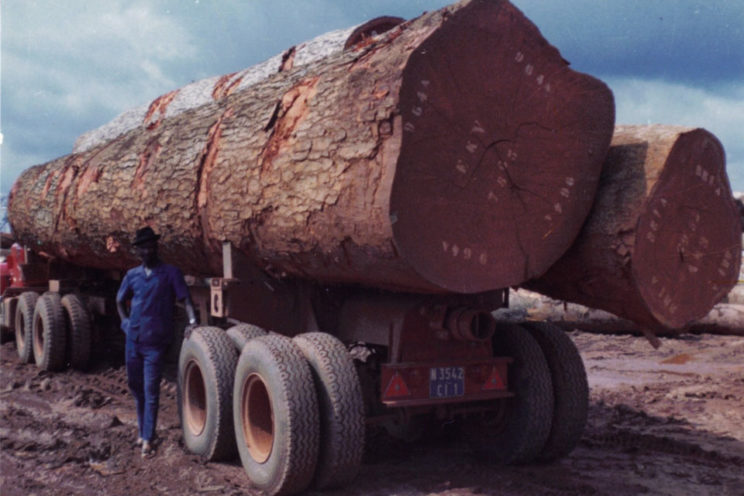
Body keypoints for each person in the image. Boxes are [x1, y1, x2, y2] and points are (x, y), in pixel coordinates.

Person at [116, 227, 197, 457]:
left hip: (156, 343)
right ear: (138, 251)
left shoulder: (170, 273)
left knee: (151, 390)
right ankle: (142, 432)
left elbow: (185, 298)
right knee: (136, 387)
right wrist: (124, 324)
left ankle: (148, 439)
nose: (147, 250)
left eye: (151, 246)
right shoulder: (132, 276)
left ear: (156, 247)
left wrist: (192, 321)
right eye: (143, 247)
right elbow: (120, 301)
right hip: (133, 341)